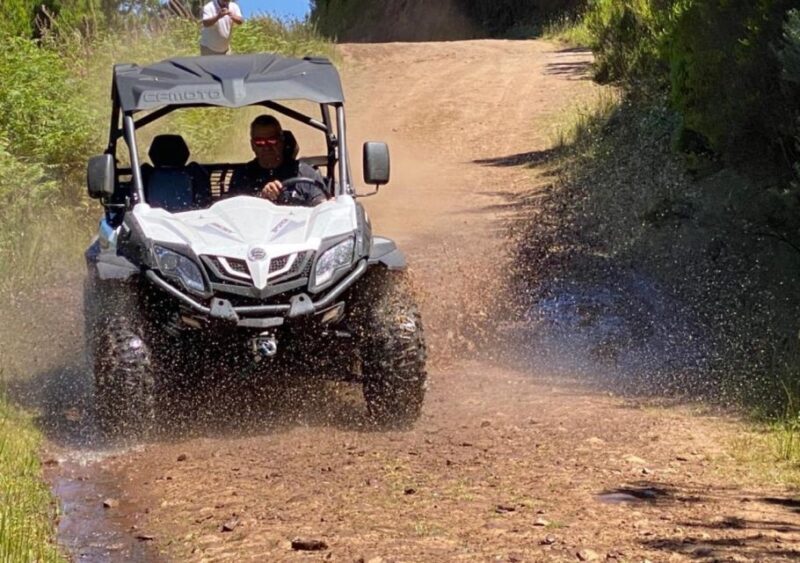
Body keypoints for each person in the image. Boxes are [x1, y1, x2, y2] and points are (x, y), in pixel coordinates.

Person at [229, 115, 328, 207]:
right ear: (252, 145)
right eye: (260, 142)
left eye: (272, 141)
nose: (267, 147)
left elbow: (322, 206)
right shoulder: (242, 176)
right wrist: (261, 197)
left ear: (281, 141)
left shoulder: (305, 173)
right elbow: (233, 210)